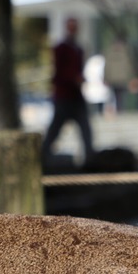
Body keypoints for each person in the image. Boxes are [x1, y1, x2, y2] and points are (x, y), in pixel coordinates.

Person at [40, 17, 95, 167]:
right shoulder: (61, 48)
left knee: (86, 130)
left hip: (76, 97)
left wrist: (79, 79)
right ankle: (42, 157)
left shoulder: (78, 49)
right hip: (63, 97)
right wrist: (74, 78)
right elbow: (60, 72)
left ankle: (90, 159)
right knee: (54, 130)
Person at [103, 36, 138, 113]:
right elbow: (129, 67)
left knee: (116, 96)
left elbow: (107, 67)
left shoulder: (110, 53)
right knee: (119, 96)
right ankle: (119, 110)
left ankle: (117, 110)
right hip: (121, 79)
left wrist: (106, 77)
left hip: (115, 79)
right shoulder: (125, 53)